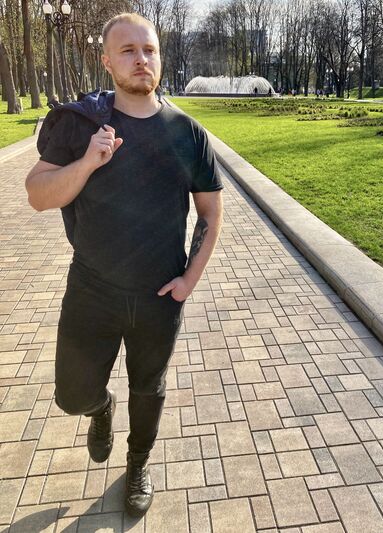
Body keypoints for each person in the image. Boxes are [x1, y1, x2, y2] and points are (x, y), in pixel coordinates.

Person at [25, 12, 223, 518]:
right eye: (128, 50)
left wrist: (189, 280)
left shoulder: (188, 133)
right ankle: (100, 406)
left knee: (148, 388)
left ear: (160, 58)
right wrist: (87, 162)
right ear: (107, 61)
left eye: (149, 49)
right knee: (71, 396)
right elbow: (38, 195)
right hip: (92, 289)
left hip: (159, 295)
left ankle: (138, 464)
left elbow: (209, 211)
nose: (141, 59)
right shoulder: (82, 125)